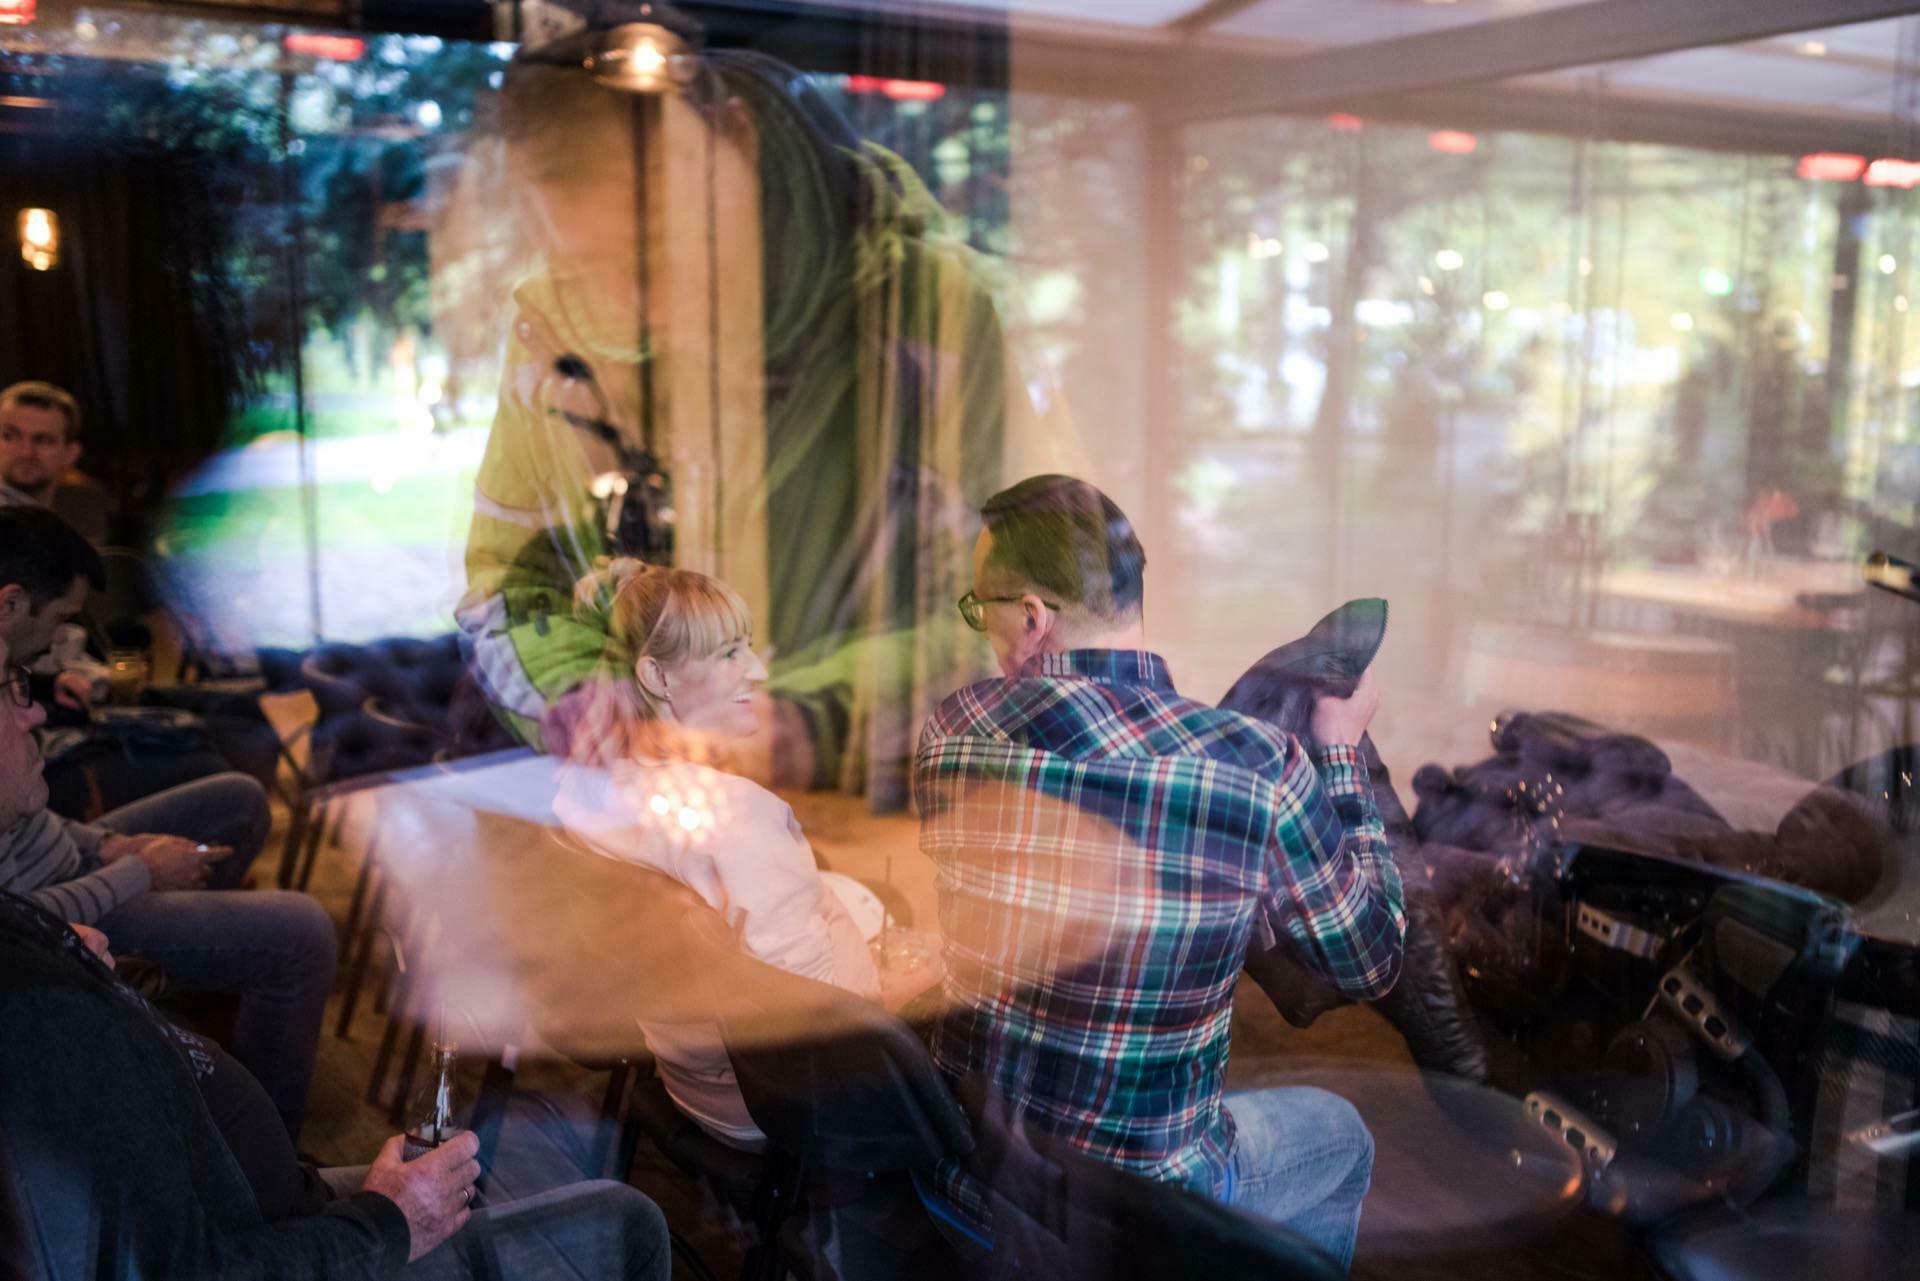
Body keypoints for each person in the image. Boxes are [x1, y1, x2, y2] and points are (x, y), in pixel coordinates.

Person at [913, 475, 1407, 1271]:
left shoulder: (951, 731)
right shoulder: (1257, 767)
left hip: (965, 1185)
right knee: (1342, 1134)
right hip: (1134, 1221)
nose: (982, 632)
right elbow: (1374, 958)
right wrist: (1342, 756)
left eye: (981, 611)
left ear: (1033, 619)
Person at [0, 888, 673, 1281]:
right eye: (12, 681)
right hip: (286, 1239)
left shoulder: (24, 946)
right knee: (629, 1223)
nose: (33, 710)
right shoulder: (36, 1015)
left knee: (485, 1179)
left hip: (278, 1202)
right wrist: (385, 1221)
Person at [553, 559, 914, 1150]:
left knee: (853, 894)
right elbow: (818, 1032)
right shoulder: (741, 818)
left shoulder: (583, 790)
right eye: (729, 654)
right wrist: (910, 993)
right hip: (772, 1100)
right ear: (656, 677)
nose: (759, 669)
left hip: (685, 1066)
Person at [0, 620, 329, 1139]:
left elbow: (40, 824)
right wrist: (139, 870)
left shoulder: (13, 778)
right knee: (304, 932)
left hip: (79, 864)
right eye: (11, 689)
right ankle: (269, 1163)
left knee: (238, 797)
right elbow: (22, 923)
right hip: (73, 913)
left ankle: (196, 1000)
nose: (36, 709)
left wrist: (108, 845)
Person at [0, 379, 110, 544]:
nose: (26, 452)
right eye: (10, 436)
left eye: (43, 440)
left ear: (71, 453)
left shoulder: (81, 515)